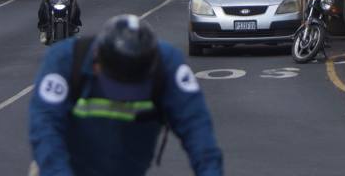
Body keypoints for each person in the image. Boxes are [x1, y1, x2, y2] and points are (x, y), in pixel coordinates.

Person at [29, 14, 223, 176]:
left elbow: (197, 129)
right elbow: (46, 128)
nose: (125, 100)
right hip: (67, 167)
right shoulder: (65, 61)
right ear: (97, 63)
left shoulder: (168, 66)